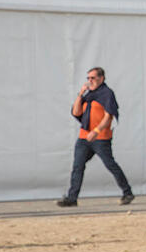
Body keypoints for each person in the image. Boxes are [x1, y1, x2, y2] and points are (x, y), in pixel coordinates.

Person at [57, 67, 134, 207]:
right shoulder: (88, 95)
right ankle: (72, 198)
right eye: (88, 78)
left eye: (93, 78)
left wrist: (96, 131)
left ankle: (127, 192)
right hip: (84, 137)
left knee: (110, 164)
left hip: (100, 138)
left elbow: (108, 116)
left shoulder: (107, 94)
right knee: (78, 166)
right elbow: (76, 112)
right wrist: (80, 94)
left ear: (101, 78)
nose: (90, 81)